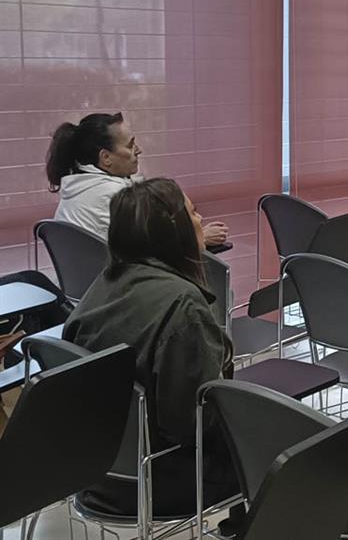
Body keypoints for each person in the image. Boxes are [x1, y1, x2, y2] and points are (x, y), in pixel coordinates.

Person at [64, 178, 238, 519]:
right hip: (158, 483)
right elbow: (191, 426)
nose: (202, 219)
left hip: (94, 477)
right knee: (294, 449)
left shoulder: (100, 287)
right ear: (174, 233)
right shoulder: (183, 307)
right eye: (193, 212)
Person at [46, 112, 230, 247]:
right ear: (106, 158)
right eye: (130, 145)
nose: (139, 150)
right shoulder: (115, 196)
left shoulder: (76, 188)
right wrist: (199, 238)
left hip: (87, 292)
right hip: (119, 292)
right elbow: (152, 251)